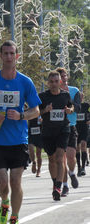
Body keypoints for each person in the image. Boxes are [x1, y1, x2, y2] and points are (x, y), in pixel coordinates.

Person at [0, 40, 41, 224]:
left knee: (15, 180)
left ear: (17, 57)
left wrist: (21, 115)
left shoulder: (25, 82)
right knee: (2, 182)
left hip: (18, 139)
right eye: (5, 53)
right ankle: (4, 201)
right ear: (0, 56)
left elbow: (36, 110)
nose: (8, 57)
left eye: (12, 53)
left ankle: (14, 217)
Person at [39, 71, 73, 201]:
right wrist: (45, 110)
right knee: (52, 159)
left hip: (63, 130)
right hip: (48, 132)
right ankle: (55, 184)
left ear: (60, 82)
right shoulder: (42, 96)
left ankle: (58, 187)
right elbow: (37, 112)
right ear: (48, 83)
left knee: (59, 158)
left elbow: (71, 107)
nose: (54, 84)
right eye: (51, 82)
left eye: (56, 81)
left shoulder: (65, 95)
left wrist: (70, 110)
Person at [56, 67, 81, 196]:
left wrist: (70, 108)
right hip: (58, 129)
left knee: (71, 156)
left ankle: (72, 173)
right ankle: (65, 186)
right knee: (61, 160)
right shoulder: (54, 93)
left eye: (65, 76)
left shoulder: (74, 91)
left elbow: (78, 107)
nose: (64, 79)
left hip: (71, 126)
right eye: (62, 77)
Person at [76, 92, 89, 177]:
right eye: (78, 97)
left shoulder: (86, 105)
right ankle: (79, 167)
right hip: (76, 128)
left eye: (81, 97)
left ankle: (83, 168)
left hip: (84, 128)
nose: (80, 98)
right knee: (77, 148)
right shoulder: (74, 106)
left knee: (83, 145)